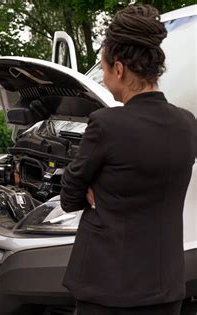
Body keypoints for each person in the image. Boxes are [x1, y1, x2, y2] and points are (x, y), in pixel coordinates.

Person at [60, 5, 196, 315]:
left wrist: (93, 187)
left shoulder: (106, 124)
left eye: (104, 69)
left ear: (118, 70)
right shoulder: (188, 123)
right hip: (166, 287)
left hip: (109, 288)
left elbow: (69, 196)